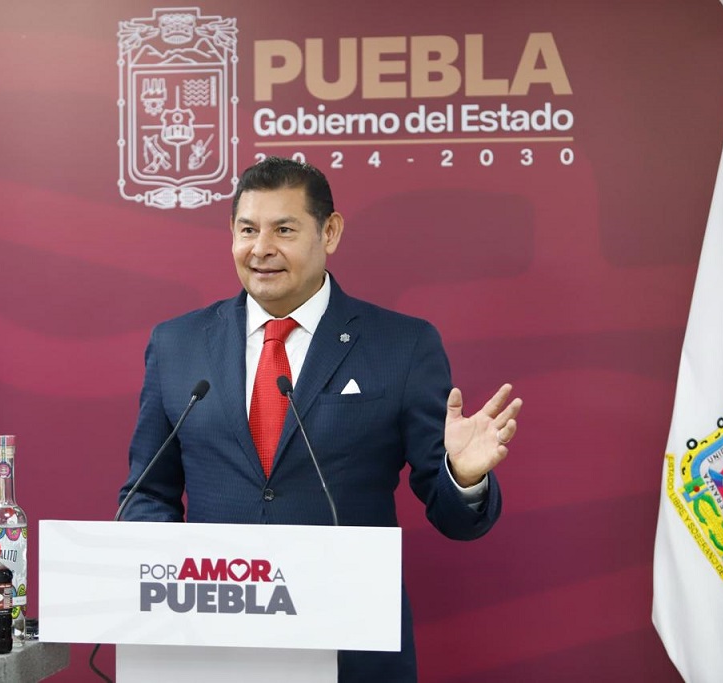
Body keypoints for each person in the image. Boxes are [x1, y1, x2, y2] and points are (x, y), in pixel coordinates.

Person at [119, 156, 522, 682]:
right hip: (210, 646)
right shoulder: (177, 343)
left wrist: (463, 477)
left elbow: (456, 519)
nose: (261, 249)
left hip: (349, 648)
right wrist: (177, 579)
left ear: (329, 232)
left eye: (284, 230)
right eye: (248, 230)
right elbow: (146, 494)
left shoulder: (401, 345)